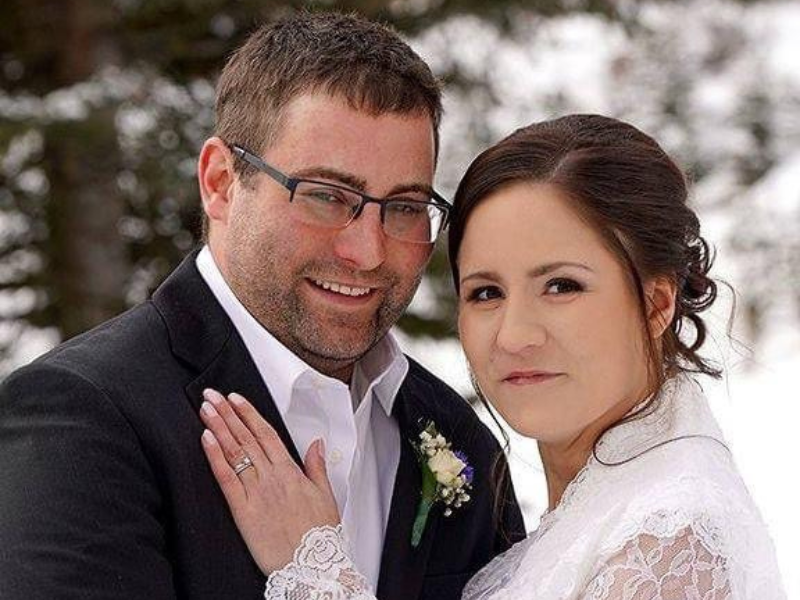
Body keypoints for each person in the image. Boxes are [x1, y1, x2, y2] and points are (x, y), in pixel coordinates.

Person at [0, 12, 524, 600]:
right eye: (326, 196)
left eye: (403, 206)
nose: (367, 250)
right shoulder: (85, 416)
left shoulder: (459, 442)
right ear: (221, 182)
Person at [199, 114, 787, 599]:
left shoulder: (673, 542)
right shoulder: (596, 512)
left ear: (657, 302)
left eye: (561, 286)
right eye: (486, 293)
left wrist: (314, 569)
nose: (514, 335)